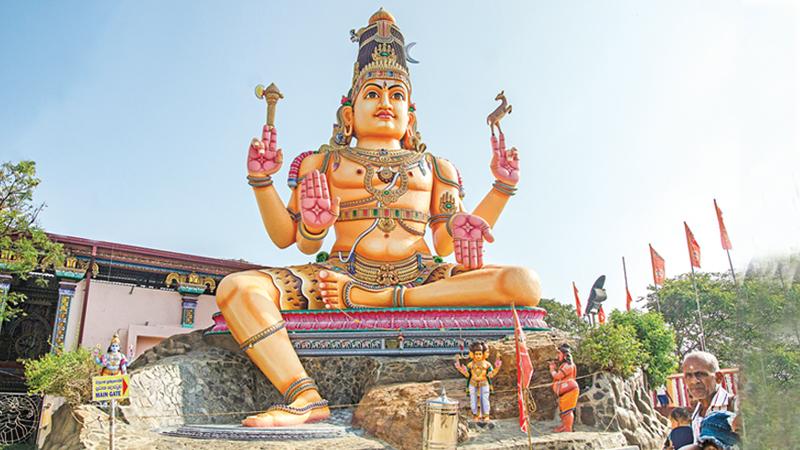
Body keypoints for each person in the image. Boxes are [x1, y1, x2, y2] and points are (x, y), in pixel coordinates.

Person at [216, 9, 542, 427]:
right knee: (237, 289)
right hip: (340, 278)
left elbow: (444, 243)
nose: (385, 102)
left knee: (523, 283)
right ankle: (303, 395)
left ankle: (382, 301)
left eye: (395, 95)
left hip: (421, 276)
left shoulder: (436, 167)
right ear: (349, 114)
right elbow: (292, 240)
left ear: (411, 114)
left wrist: (500, 191)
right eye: (372, 93)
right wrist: (265, 184)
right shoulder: (324, 161)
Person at [678, 351, 738, 449]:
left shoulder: (734, 406)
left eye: (700, 374)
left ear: (718, 377)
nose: (694, 381)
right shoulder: (696, 413)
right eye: (688, 375)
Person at [454, 341, 502, 423]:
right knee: (473, 400)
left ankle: (486, 415)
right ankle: (475, 415)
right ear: (472, 354)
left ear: (483, 354)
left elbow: (491, 374)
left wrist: (496, 368)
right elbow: (467, 375)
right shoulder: (470, 364)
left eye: (480, 354)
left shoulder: (487, 364)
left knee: (485, 399)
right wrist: (460, 369)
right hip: (473, 383)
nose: (478, 356)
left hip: (484, 383)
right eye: (476, 354)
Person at [549, 343, 579, 432]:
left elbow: (558, 376)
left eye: (559, 354)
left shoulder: (568, 365)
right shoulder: (565, 365)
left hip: (570, 390)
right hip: (565, 392)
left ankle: (568, 427)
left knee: (568, 411)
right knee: (563, 411)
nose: (558, 356)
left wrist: (552, 369)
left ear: (565, 355)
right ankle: (564, 425)